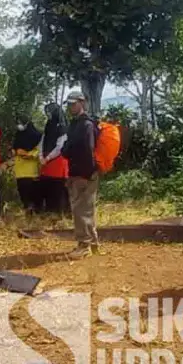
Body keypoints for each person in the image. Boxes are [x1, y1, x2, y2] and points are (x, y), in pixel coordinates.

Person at [62, 91, 99, 255]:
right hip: (76, 171)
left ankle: (84, 246)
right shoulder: (74, 124)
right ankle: (92, 244)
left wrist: (87, 173)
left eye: (74, 103)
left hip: (84, 173)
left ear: (82, 103)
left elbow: (87, 150)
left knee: (80, 210)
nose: (71, 107)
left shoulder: (86, 125)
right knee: (85, 209)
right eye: (69, 104)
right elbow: (69, 147)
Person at [37, 102, 70, 213]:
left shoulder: (63, 127)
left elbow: (60, 146)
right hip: (46, 163)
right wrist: (41, 156)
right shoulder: (49, 125)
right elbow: (42, 141)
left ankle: (60, 212)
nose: (48, 114)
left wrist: (48, 158)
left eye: (50, 112)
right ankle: (49, 211)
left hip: (58, 162)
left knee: (58, 189)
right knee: (47, 187)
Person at [12, 115, 43, 213]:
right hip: (20, 168)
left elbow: (40, 150)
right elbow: (14, 147)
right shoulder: (18, 134)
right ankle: (26, 208)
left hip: (31, 168)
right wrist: (15, 151)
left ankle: (36, 209)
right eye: (18, 123)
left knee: (33, 190)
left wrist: (30, 154)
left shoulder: (37, 135)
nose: (19, 125)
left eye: (21, 123)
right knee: (22, 189)